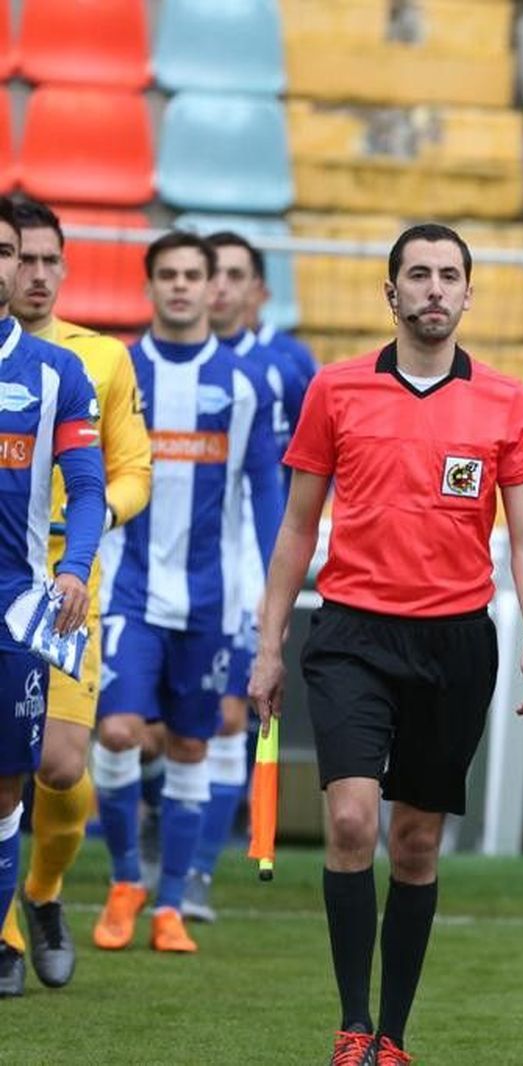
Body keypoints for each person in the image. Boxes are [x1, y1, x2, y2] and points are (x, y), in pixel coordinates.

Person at [249, 223, 523, 1066]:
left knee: (415, 842)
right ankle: (353, 1026)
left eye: (447, 275)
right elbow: (297, 528)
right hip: (351, 632)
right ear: (390, 294)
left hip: (457, 644)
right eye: (416, 274)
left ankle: (393, 1037)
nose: (432, 288)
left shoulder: (507, 401)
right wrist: (269, 645)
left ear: (467, 294)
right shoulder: (337, 391)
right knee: (351, 821)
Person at [90, 232, 284, 956]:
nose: (179, 287)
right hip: (128, 590)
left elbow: (265, 487)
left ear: (213, 289)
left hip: (209, 596)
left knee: (194, 743)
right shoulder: (120, 369)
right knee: (115, 732)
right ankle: (124, 879)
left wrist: (272, 586)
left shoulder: (241, 384)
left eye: (191, 275)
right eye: (166, 274)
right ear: (150, 286)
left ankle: (170, 903)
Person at [0, 197, 151, 995]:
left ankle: (45, 891)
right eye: (20, 257)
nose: (34, 273)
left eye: (46, 259)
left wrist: (84, 521)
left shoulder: (98, 360)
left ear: (64, 264)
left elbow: (131, 470)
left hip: (62, 583)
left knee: (58, 765)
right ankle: (3, 934)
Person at [177, 231, 303, 923]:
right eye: (210, 273)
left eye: (233, 275)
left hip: (250, 561)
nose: (219, 287)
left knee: (228, 716)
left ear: (259, 290)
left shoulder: (286, 366)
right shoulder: (163, 361)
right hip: (166, 567)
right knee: (143, 729)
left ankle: (195, 872)